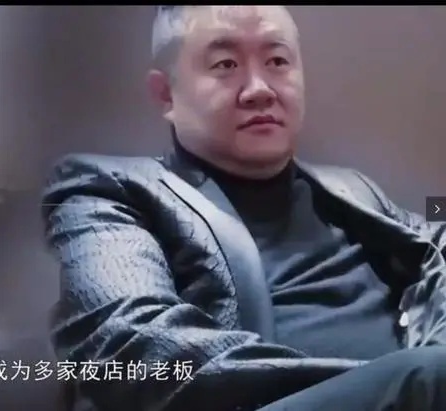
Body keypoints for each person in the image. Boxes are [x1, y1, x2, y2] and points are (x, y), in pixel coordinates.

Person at [41, 5, 446, 411]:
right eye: (226, 64)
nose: (259, 89)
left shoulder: (352, 189)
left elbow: (436, 238)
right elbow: (131, 344)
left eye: (277, 61)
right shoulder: (109, 190)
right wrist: (402, 383)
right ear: (166, 94)